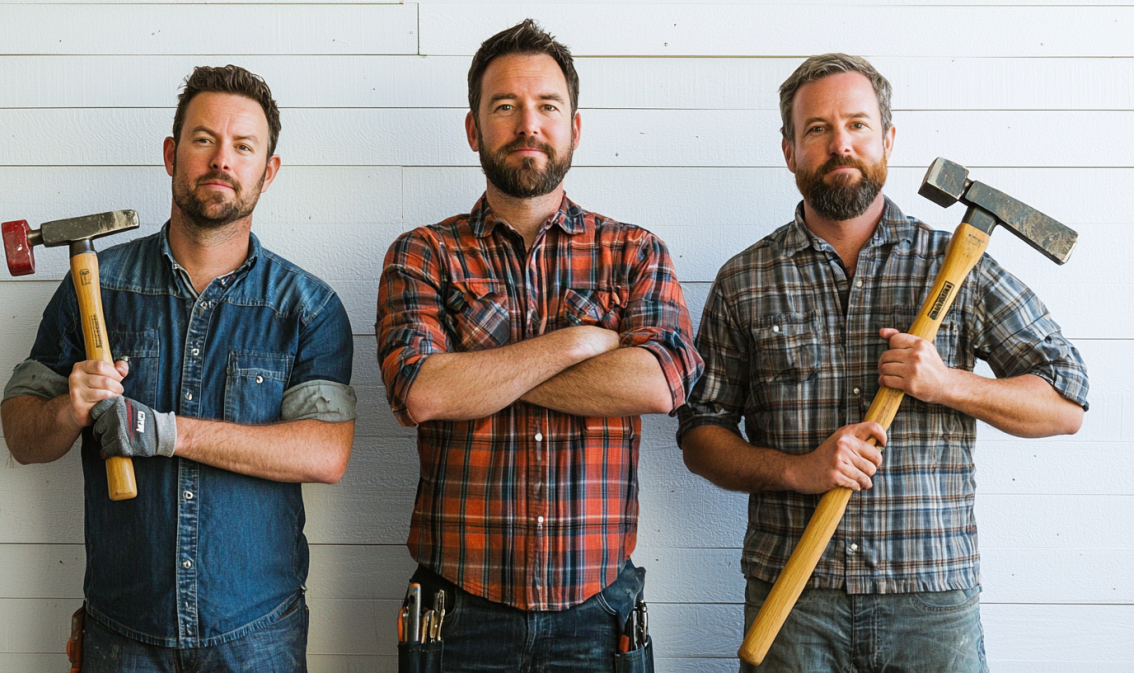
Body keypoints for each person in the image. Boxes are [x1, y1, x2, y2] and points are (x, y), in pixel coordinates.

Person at [676, 53, 1088, 673]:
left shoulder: (957, 266)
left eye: (858, 125)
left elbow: (1066, 404)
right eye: (816, 129)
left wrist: (947, 383)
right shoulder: (745, 280)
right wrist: (800, 471)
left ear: (888, 139)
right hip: (794, 599)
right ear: (789, 149)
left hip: (931, 606)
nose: (840, 144)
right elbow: (699, 437)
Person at [0, 65, 356, 672]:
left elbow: (324, 455)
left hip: (258, 636)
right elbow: (21, 435)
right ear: (171, 153)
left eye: (243, 146)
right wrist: (69, 407)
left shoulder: (306, 305)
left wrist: (167, 433)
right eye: (203, 139)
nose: (222, 159)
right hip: (121, 633)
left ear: (267, 171)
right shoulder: (97, 287)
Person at [376, 19, 702, 670]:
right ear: (474, 128)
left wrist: (475, 375)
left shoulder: (633, 251)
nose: (529, 122)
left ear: (574, 126)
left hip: (599, 614)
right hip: (456, 615)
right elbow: (421, 390)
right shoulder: (424, 252)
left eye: (547, 106)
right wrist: (580, 342)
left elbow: (660, 383)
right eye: (505, 106)